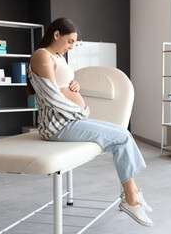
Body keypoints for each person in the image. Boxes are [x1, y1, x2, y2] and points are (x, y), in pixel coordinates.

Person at [27, 18, 153, 227]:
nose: (71, 47)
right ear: (56, 34)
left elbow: (61, 84)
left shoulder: (57, 56)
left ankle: (133, 195)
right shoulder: (42, 55)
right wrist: (80, 111)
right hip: (58, 125)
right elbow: (51, 97)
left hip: (68, 121)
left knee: (123, 133)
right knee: (121, 137)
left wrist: (73, 83)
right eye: (69, 41)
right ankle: (131, 199)